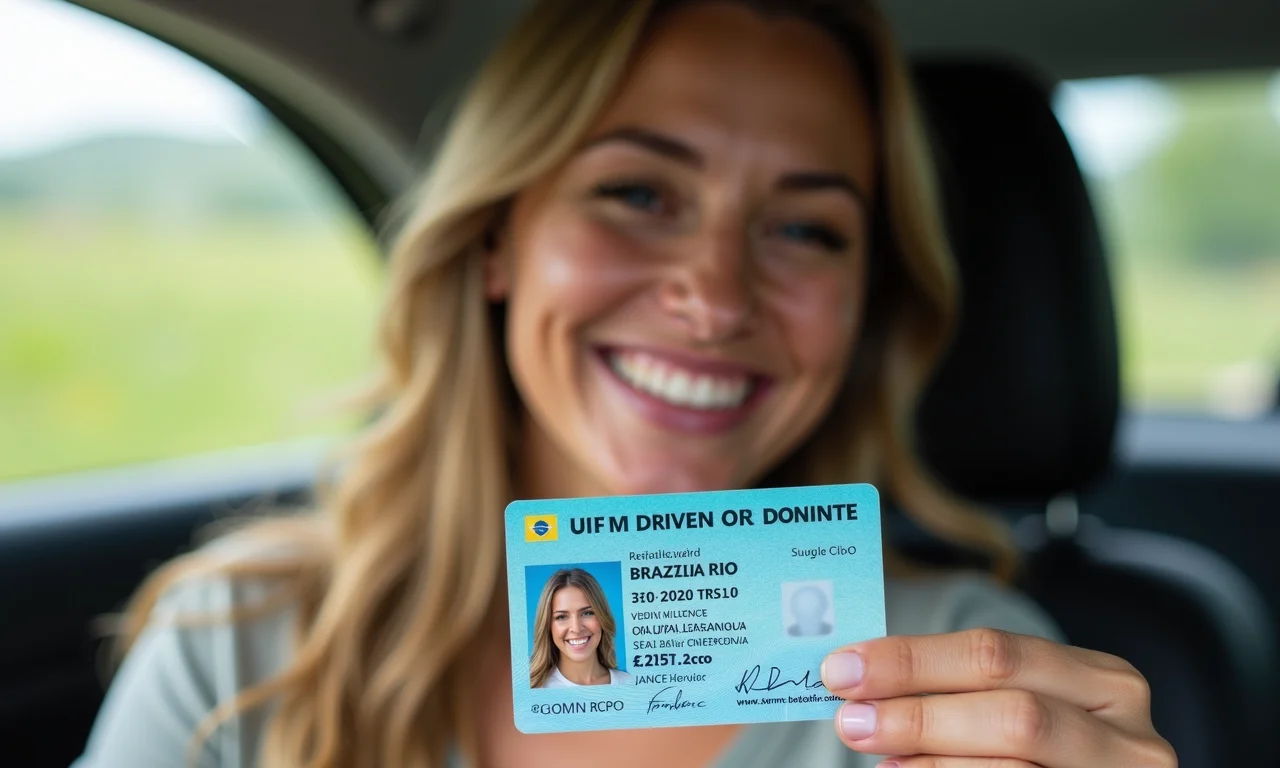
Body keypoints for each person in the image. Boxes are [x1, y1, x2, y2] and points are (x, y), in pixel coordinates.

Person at [73, 0, 1177, 766]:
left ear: (863, 310)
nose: (713, 295)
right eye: (638, 193)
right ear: (498, 238)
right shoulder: (242, 649)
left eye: (803, 227)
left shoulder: (968, 687)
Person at [529, 569, 633, 688]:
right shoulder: (535, 690)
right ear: (548, 626)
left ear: (602, 618)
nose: (576, 628)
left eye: (587, 613)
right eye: (561, 616)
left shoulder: (629, 683)